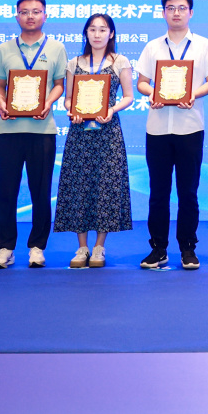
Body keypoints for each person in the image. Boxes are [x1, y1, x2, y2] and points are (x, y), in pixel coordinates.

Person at [134, 0, 208, 270]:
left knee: (188, 192)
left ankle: (188, 248)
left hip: (190, 127)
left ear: (191, 12)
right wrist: (153, 93)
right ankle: (158, 248)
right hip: (157, 129)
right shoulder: (153, 47)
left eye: (182, 8)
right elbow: (142, 82)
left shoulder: (203, 45)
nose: (176, 13)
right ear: (163, 13)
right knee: (158, 192)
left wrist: (192, 94)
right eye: (171, 8)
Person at [0, 0, 67, 269]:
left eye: (36, 12)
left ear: (45, 15)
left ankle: (37, 246)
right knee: (6, 191)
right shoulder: (4, 49)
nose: (30, 16)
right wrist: (1, 103)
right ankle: (5, 248)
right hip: (8, 130)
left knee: (41, 190)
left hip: (42, 130)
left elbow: (59, 84)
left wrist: (48, 103)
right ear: (16, 16)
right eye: (24, 12)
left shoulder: (56, 48)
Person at [55, 14, 134, 268]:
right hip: (80, 134)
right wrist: (72, 110)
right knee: (79, 186)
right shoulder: (74, 63)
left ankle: (99, 247)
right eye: (92, 29)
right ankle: (82, 247)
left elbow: (129, 96)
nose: (97, 34)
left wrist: (112, 109)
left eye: (102, 29)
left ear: (111, 33)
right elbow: (68, 99)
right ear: (86, 33)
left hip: (108, 133)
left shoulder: (120, 61)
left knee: (106, 187)